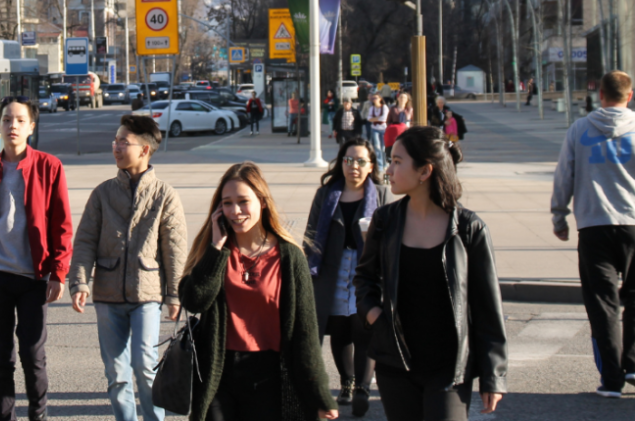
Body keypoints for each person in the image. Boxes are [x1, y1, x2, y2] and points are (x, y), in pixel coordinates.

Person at [355, 126, 507, 421]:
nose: (389, 170)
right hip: (395, 363)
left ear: (425, 171)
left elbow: (489, 307)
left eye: (398, 162)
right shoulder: (385, 220)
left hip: (449, 369)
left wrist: (494, 376)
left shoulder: (468, 228)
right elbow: (364, 279)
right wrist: (375, 316)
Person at [179, 162, 339, 421]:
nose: (235, 211)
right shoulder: (214, 251)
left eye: (243, 201)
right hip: (219, 373)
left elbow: (305, 333)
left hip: (269, 376)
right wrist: (215, 249)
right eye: (227, 203)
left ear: (262, 202)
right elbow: (193, 300)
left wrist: (320, 393)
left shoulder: (289, 257)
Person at [0, 96, 73, 421]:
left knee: (33, 355)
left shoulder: (49, 166)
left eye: (20, 120)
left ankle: (39, 416)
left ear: (31, 127)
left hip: (33, 277)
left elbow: (62, 224)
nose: (13, 126)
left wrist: (58, 272)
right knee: (1, 359)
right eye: (7, 119)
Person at [70, 115, 188, 421]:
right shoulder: (103, 193)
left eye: (125, 141)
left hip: (146, 295)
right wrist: (80, 282)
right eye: (116, 141)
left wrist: (174, 295)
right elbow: (84, 242)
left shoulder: (165, 195)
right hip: (107, 295)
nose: (117, 147)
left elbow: (174, 250)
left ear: (145, 150)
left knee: (143, 365)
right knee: (116, 373)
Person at [552, 70, 635, 397]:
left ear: (600, 95)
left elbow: (565, 173)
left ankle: (611, 379)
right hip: (633, 223)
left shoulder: (580, 129)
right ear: (629, 96)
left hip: (594, 224)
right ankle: (631, 364)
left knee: (603, 304)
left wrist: (559, 215)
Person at [304, 138, 394, 417]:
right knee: (340, 328)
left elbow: (391, 235)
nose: (353, 166)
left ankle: (364, 388)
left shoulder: (380, 193)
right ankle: (347, 383)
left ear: (370, 166)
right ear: (341, 162)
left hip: (366, 269)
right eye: (348, 160)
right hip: (332, 268)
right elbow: (311, 234)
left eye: (360, 161)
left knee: (364, 324)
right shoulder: (327, 193)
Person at [383, 93, 413, 161]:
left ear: (407, 100)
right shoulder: (393, 109)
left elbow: (412, 121)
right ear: (398, 98)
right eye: (401, 97)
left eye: (405, 98)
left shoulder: (410, 109)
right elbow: (388, 121)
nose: (402, 99)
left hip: (406, 131)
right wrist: (392, 127)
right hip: (395, 132)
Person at [365, 94, 389, 169]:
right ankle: (380, 165)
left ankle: (385, 162)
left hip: (383, 129)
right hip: (374, 129)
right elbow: (368, 118)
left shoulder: (384, 107)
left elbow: (384, 118)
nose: (374, 99)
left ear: (380, 99)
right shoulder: (372, 108)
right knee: (376, 147)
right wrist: (377, 118)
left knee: (383, 147)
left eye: (376, 98)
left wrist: (374, 118)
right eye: (373, 98)